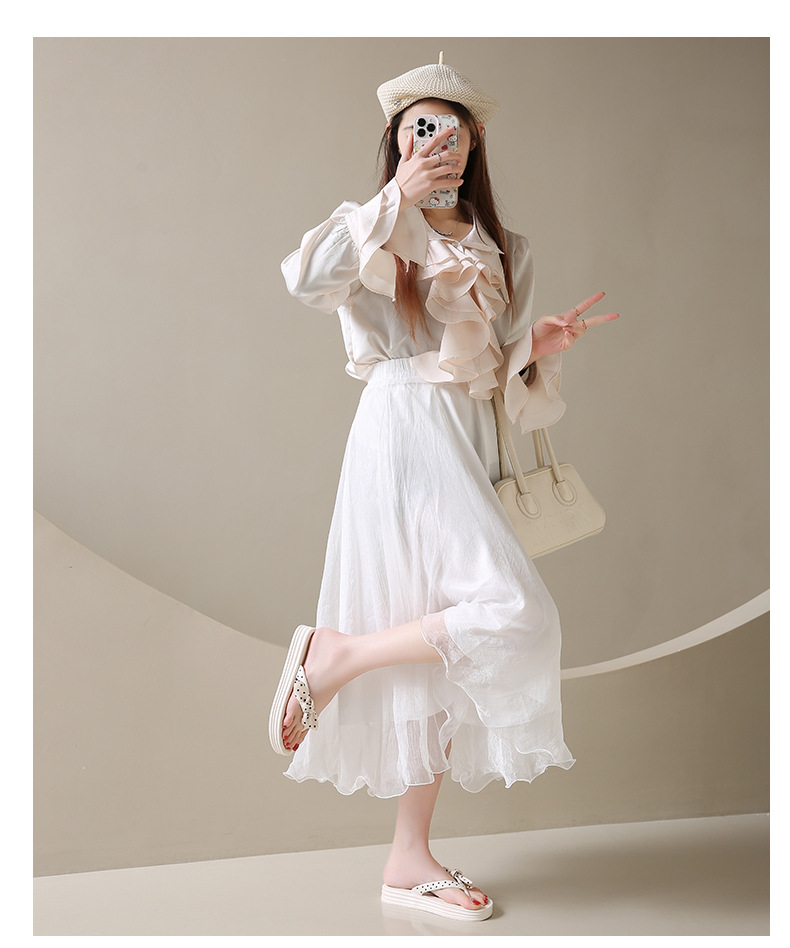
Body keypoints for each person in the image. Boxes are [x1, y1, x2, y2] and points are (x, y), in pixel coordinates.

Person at [271, 56, 619, 922]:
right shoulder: (369, 225)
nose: (437, 142)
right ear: (395, 140)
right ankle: (337, 658)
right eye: (419, 128)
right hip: (403, 429)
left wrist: (535, 348)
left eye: (451, 129)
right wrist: (394, 196)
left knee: (434, 642)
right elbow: (308, 283)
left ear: (475, 142)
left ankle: (408, 857)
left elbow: (490, 376)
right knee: (514, 613)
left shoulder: (506, 247)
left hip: (467, 436)